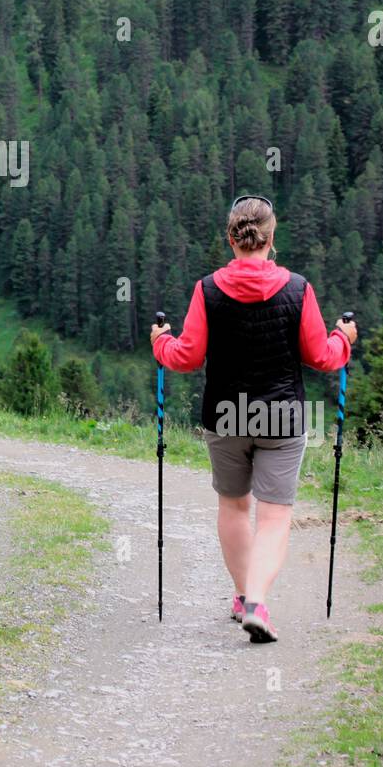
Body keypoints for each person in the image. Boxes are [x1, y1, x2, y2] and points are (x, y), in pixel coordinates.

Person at [150, 195, 357, 643]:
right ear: (271, 237)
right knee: (275, 516)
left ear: (232, 238)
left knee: (233, 506)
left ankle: (244, 596)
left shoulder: (207, 289)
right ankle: (257, 602)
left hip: (225, 415)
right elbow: (322, 356)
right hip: (281, 416)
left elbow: (185, 357)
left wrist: (160, 343)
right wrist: (344, 338)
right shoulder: (298, 289)